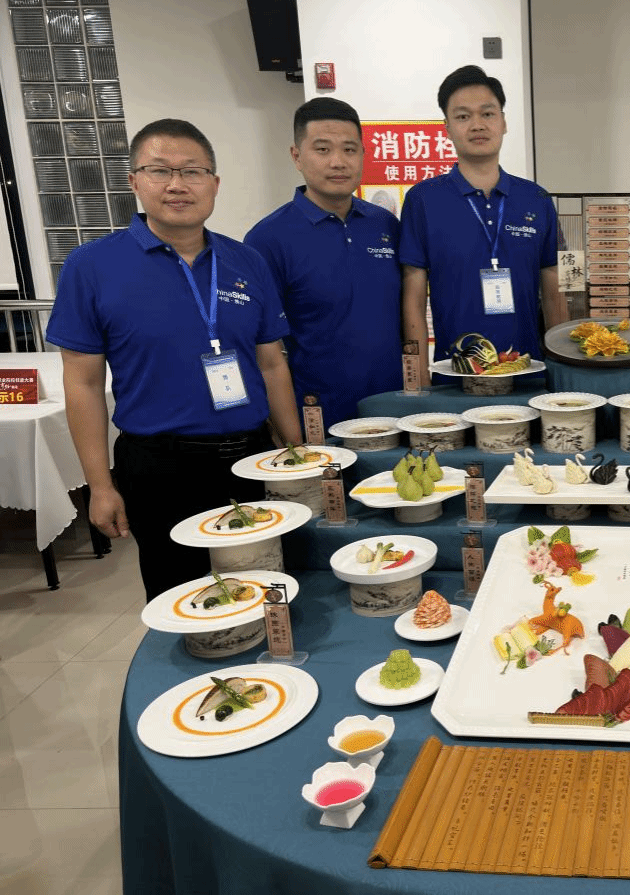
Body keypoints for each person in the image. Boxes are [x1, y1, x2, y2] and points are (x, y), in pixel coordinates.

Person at [47, 118, 302, 601]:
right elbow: (82, 384)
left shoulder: (246, 262)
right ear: (134, 181)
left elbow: (271, 364)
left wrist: (295, 452)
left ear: (215, 184)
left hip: (250, 458)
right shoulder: (92, 266)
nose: (177, 184)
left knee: (266, 589)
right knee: (182, 599)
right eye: (160, 170)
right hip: (159, 466)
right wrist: (100, 486)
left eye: (193, 171)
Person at [399, 65, 563, 381]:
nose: (477, 125)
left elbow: (553, 290)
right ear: (447, 127)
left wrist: (560, 373)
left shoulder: (536, 199)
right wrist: (418, 380)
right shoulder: (423, 200)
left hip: (530, 376)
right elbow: (414, 297)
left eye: (487, 114)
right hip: (453, 378)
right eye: (463, 116)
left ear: (503, 122)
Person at [245, 97, 402, 426]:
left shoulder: (385, 225)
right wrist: (286, 432)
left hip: (394, 411)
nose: (338, 162)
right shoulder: (267, 239)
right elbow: (262, 349)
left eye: (349, 149)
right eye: (322, 149)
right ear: (296, 156)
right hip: (318, 418)